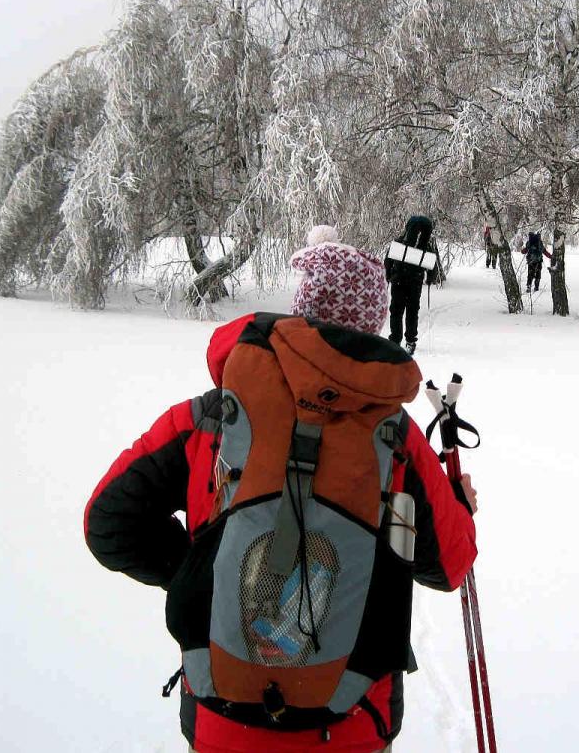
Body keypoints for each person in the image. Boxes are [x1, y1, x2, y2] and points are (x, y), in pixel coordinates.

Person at [84, 226, 478, 753]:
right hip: (352, 726)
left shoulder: (211, 418)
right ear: (373, 322)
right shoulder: (398, 439)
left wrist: (201, 568)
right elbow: (449, 566)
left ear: (300, 311)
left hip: (223, 724)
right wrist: (459, 509)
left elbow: (108, 523)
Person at [384, 215, 437, 354]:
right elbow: (432, 265)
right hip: (415, 282)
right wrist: (430, 278)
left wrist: (388, 275)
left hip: (398, 280)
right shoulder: (426, 246)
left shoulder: (400, 242)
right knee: (412, 312)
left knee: (396, 311)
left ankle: (395, 340)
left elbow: (388, 261)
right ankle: (411, 341)